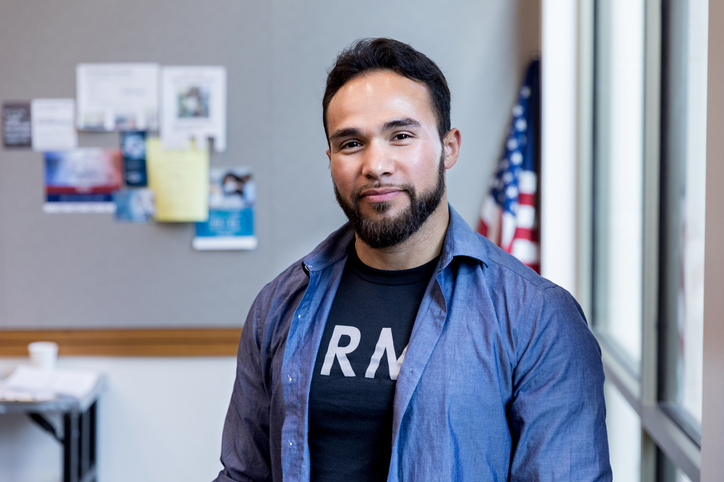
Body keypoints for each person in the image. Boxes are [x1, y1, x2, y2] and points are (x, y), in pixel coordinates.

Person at [214, 38, 611, 482]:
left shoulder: (538, 317)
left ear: (450, 147)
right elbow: (244, 474)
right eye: (350, 143)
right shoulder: (279, 305)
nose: (376, 164)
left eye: (400, 136)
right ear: (330, 161)